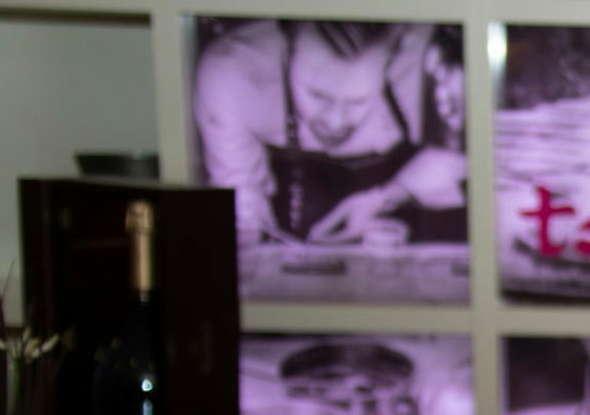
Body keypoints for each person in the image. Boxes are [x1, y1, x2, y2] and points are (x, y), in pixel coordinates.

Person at [192, 20, 467, 247]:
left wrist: (384, 197)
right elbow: (241, 202)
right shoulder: (232, 75)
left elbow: (467, 157)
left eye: (358, 102)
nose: (335, 122)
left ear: (392, 61)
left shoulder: (434, 66)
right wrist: (249, 230)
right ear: (287, 52)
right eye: (317, 95)